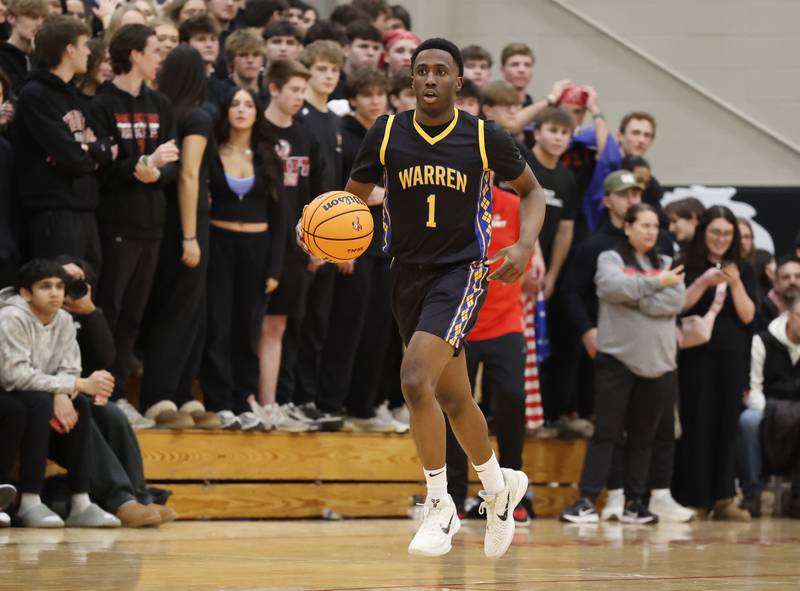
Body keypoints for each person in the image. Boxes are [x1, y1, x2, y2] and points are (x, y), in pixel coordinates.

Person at [300, 37, 546, 559]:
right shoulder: (386, 132)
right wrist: (317, 233)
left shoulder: (484, 136)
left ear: (458, 82)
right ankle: (499, 488)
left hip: (461, 273)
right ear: (410, 81)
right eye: (421, 71)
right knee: (454, 397)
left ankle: (441, 504)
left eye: (440, 71)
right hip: (404, 274)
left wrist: (525, 244)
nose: (430, 79)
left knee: (414, 381)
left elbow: (533, 190)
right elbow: (351, 204)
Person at [560, 204, 685, 524]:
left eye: (655, 226)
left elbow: (675, 301)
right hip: (617, 359)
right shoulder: (610, 258)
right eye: (643, 225)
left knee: (644, 436)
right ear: (627, 227)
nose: (650, 231)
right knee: (607, 432)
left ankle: (634, 503)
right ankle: (586, 500)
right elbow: (611, 287)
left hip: (657, 363)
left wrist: (637, 294)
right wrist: (658, 283)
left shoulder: (669, 262)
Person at [91, 24, 179, 402]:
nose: (161, 57)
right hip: (115, 224)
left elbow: (172, 163)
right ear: (135, 55)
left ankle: (118, 399)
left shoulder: (160, 104)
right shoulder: (101, 104)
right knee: (107, 314)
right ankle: (99, 396)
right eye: (155, 50)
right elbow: (98, 167)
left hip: (152, 226)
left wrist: (155, 171)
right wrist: (140, 165)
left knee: (132, 319)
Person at [315, 65, 404, 433]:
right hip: (353, 246)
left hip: (386, 247)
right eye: (366, 95)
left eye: (379, 95)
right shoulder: (344, 135)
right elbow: (338, 191)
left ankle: (364, 407)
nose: (373, 101)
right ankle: (332, 404)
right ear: (353, 98)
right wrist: (343, 248)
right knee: (346, 329)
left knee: (378, 331)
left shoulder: (389, 135)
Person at [0, 259, 119, 528]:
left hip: (36, 391)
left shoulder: (64, 319)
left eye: (59, 286)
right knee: (36, 405)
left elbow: (70, 367)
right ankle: (30, 500)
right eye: (45, 287)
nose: (55, 293)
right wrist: (73, 386)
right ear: (25, 293)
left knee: (82, 407)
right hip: (9, 391)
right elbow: (14, 376)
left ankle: (81, 502)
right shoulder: (10, 317)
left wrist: (63, 393)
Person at [138, 45, 218, 428]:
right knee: (180, 312)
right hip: (188, 222)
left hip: (166, 219)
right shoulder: (198, 116)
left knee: (191, 312)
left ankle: (184, 395)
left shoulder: (166, 111)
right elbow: (188, 175)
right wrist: (190, 235)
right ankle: (160, 397)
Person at [200, 87, 288, 431]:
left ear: (256, 112)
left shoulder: (268, 156)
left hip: (258, 247)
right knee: (218, 326)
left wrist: (275, 267)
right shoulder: (212, 152)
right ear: (226, 112)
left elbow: (281, 217)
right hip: (220, 245)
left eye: (248, 104)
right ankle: (220, 402)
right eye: (234, 103)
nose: (241, 110)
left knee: (248, 329)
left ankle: (243, 398)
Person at [446, 181, 533, 524]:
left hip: (505, 323)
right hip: (459, 322)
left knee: (511, 398)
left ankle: (510, 494)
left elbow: (526, 254)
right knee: (454, 407)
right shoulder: (450, 202)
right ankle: (453, 496)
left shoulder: (512, 204)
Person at [673, 205, 756, 521]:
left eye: (727, 233)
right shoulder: (686, 264)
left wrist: (734, 283)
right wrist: (704, 282)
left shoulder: (744, 268)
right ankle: (695, 497)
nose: (721, 239)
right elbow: (677, 305)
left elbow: (748, 315)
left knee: (726, 424)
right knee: (697, 422)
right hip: (696, 357)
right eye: (715, 232)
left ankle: (724, 498)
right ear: (703, 232)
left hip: (733, 357)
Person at [279, 40, 344, 426]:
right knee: (295, 322)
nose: (328, 76)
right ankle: (288, 397)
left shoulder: (332, 121)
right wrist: (313, 241)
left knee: (319, 322)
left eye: (334, 70)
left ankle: (308, 397)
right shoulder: (300, 119)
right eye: (320, 69)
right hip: (305, 238)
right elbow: (306, 187)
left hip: (331, 237)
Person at [254, 60, 322, 430]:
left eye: (302, 91)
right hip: (257, 238)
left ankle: (270, 401)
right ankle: (244, 398)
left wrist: (315, 242)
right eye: (294, 89)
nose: (300, 97)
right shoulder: (255, 130)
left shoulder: (305, 136)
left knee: (279, 326)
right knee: (251, 323)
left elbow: (312, 195)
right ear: (274, 88)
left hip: (294, 246)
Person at [14, 14, 108, 274]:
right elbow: (72, 157)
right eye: (85, 45)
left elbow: (106, 148)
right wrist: (89, 153)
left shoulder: (73, 94)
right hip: (53, 211)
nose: (89, 52)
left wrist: (89, 152)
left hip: (85, 208)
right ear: (69, 49)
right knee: (61, 294)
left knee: (87, 295)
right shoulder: (35, 94)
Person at [738, 295, 800, 519]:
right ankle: (752, 493)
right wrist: (776, 413)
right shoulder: (762, 341)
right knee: (747, 421)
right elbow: (753, 388)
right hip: (766, 407)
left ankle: (797, 497)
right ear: (788, 315)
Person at [0, 0, 48, 94]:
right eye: (33, 17)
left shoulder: (41, 56)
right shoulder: (2, 55)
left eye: (43, 18)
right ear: (11, 18)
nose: (39, 23)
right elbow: (18, 93)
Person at [329, 20, 382, 100]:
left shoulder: (383, 86)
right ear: (346, 50)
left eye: (376, 48)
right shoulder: (331, 83)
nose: (371, 53)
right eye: (363, 46)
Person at [759, 255, 800, 327]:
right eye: (786, 277)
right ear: (776, 283)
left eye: (797, 276)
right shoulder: (763, 309)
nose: (792, 281)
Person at [224, 27, 265, 96]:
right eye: (243, 55)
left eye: (256, 55)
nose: (250, 60)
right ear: (231, 60)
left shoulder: (271, 93)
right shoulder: (220, 93)